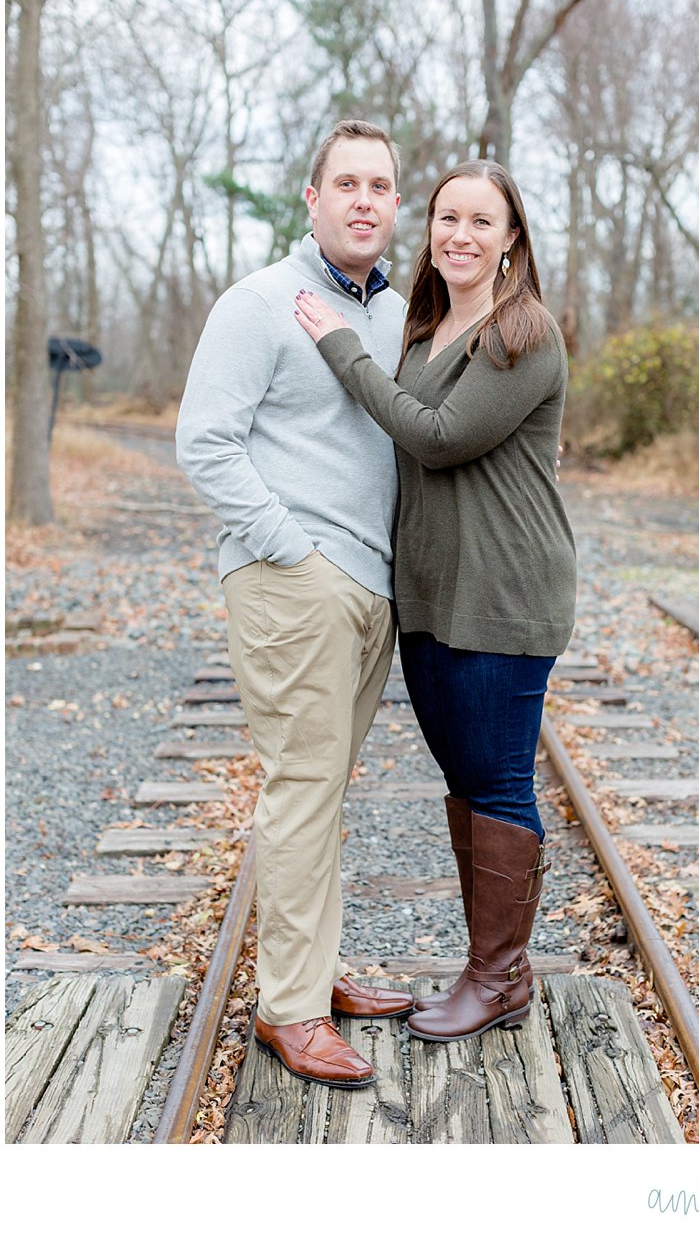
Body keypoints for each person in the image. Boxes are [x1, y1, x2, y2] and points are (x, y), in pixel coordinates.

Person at [292, 159, 576, 1043]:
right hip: (431, 592)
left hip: (504, 591)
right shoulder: (422, 327)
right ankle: (493, 970)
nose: (459, 234)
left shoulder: (523, 333)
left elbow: (439, 437)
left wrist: (338, 345)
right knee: (464, 779)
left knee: (496, 780)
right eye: (447, 216)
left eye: (481, 222)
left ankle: (498, 978)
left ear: (511, 241)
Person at [176, 119, 416, 1090]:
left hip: (371, 588)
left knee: (324, 788)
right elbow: (205, 443)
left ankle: (311, 970)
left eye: (381, 186)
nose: (364, 199)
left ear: (396, 207)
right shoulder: (261, 304)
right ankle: (289, 1009)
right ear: (310, 200)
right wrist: (292, 549)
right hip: (293, 582)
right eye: (345, 183)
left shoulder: (399, 314)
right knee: (303, 787)